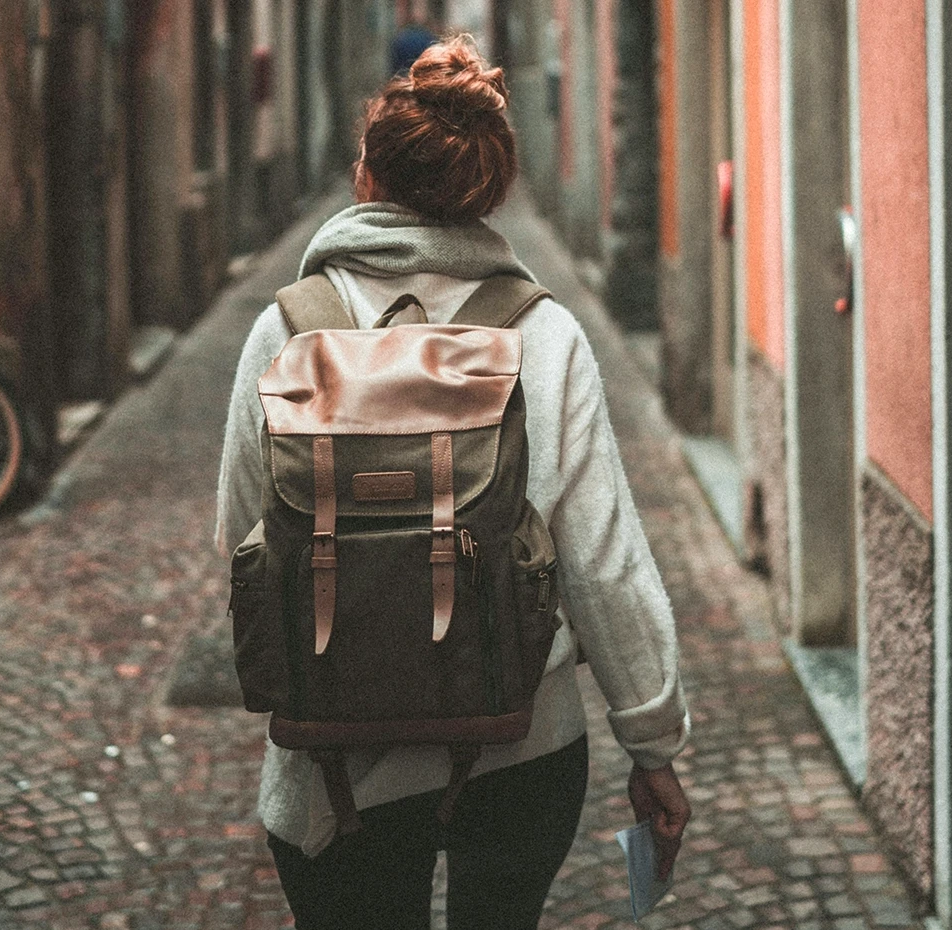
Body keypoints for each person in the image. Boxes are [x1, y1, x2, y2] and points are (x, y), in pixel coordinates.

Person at [214, 36, 692, 930]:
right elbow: (602, 562)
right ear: (491, 188)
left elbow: (244, 534)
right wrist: (653, 742)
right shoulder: (541, 336)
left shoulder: (287, 331)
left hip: (334, 759)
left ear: (366, 176)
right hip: (520, 743)